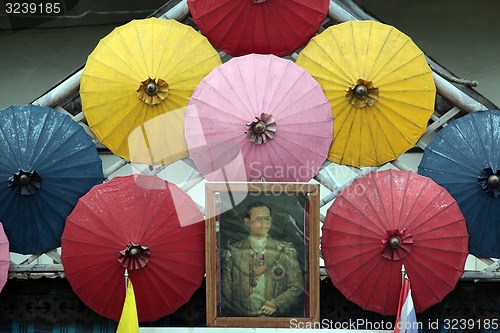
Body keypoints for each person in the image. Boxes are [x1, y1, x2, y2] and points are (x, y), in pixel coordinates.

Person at [220, 201, 305, 317]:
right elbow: (226, 292)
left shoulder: (285, 251)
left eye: (267, 219)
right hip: (242, 320)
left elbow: (297, 287)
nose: (264, 223)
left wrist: (277, 303)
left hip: (276, 321)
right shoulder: (233, 253)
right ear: (247, 222)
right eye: (259, 219)